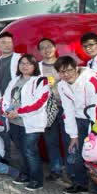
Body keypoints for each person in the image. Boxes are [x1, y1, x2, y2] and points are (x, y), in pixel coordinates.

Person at [55, 56, 97, 194]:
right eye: (62, 72)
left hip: (96, 120)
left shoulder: (91, 81)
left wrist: (95, 132)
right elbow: (68, 110)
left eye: (69, 70)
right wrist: (73, 135)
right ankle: (80, 183)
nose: (66, 74)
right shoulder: (62, 85)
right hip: (78, 120)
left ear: (76, 68)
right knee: (76, 152)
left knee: (95, 155)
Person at [2, 54, 50, 191]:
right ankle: (25, 175)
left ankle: (37, 179)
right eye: (22, 63)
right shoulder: (15, 80)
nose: (25, 66)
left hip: (31, 123)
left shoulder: (41, 81)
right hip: (14, 122)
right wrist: (5, 110)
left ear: (34, 66)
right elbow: (6, 98)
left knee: (30, 151)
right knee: (21, 150)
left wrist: (19, 112)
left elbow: (39, 103)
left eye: (28, 63)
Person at [0, 32, 21, 160]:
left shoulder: (20, 59)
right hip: (2, 103)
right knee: (3, 132)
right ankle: (6, 158)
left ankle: (23, 164)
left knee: (18, 134)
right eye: (3, 43)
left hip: (18, 104)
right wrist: (0, 101)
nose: (7, 45)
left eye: (9, 42)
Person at [37, 38, 64, 181]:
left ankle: (73, 172)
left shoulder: (63, 64)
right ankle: (56, 169)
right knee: (51, 140)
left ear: (55, 47)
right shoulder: (37, 68)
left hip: (66, 108)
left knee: (69, 140)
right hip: (47, 108)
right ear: (39, 51)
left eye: (49, 46)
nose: (46, 50)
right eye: (43, 48)